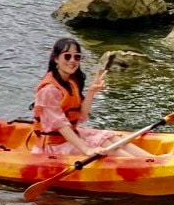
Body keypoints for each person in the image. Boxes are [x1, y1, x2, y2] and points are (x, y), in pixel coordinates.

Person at [31, 37, 163, 159]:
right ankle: (144, 166)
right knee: (106, 148)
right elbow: (61, 126)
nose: (72, 61)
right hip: (53, 147)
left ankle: (153, 159)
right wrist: (86, 149)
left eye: (77, 57)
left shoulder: (71, 82)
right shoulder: (48, 90)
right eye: (67, 56)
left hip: (71, 136)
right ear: (56, 59)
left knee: (109, 138)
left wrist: (91, 92)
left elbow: (81, 115)